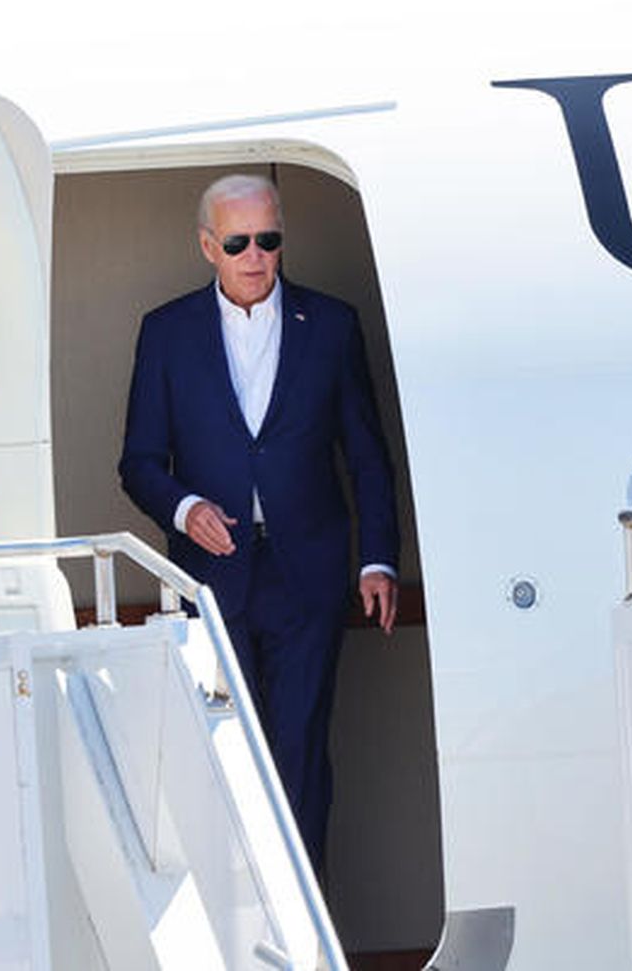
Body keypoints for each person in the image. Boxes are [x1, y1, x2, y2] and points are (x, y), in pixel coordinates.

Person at [118, 173, 400, 873]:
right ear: (209, 246)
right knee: (222, 754)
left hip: (308, 574)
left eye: (268, 240)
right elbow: (140, 461)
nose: (256, 255)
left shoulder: (331, 325)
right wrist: (186, 508)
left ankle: (307, 931)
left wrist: (379, 559)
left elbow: (367, 452)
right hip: (213, 577)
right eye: (239, 241)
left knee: (301, 751)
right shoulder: (167, 331)